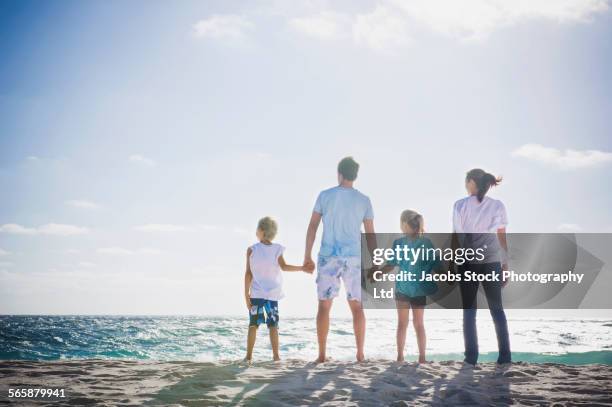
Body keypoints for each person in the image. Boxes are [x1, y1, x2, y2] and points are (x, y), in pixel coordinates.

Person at [304, 156, 375, 363]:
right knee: (357, 308)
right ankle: (360, 354)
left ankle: (322, 355)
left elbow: (312, 227)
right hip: (353, 258)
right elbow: (370, 234)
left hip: (329, 256)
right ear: (355, 175)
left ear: (340, 174)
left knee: (324, 307)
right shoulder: (364, 200)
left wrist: (307, 255)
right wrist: (376, 261)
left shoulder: (325, 196)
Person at [452, 169, 511, 367]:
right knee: (497, 309)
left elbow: (458, 236)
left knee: (469, 310)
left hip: (468, 261)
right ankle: (505, 357)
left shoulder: (460, 205)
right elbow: (501, 235)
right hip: (491, 260)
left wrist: (454, 262)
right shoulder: (497, 205)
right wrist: (505, 264)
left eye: (465, 181)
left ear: (470, 182)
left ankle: (471, 358)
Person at [373, 210, 439, 363]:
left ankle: (400, 356)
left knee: (402, 324)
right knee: (419, 324)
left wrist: (378, 274)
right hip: (419, 289)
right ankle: (422, 358)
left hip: (403, 289)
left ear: (404, 224)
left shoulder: (399, 243)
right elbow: (435, 264)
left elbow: (391, 264)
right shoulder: (426, 243)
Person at [244, 216, 312, 362]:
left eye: (257, 229)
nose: (256, 232)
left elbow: (248, 274)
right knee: (273, 325)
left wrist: (246, 295)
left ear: (262, 231)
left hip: (256, 294)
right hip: (272, 295)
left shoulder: (252, 250)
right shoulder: (275, 249)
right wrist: (301, 268)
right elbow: (284, 267)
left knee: (253, 324)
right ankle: (276, 356)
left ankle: (249, 357)